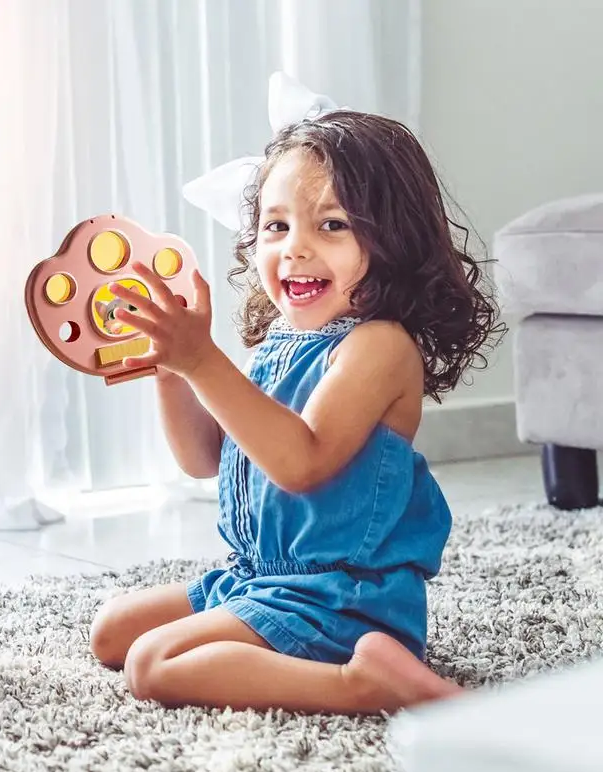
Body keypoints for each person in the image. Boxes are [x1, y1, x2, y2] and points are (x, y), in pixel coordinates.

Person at [89, 73, 505, 714]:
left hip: (341, 596)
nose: (296, 249)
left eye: (332, 225)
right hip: (257, 577)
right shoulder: (281, 340)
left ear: (393, 241)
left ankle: (360, 683)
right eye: (276, 226)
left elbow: (300, 462)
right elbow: (204, 459)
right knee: (113, 631)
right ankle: (267, 652)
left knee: (153, 664)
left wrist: (203, 362)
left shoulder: (379, 346)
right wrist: (172, 372)